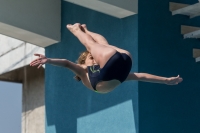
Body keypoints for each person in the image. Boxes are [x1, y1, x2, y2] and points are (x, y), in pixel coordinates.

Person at [30, 23, 183, 93]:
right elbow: (141, 76)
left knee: (100, 45)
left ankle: (80, 30)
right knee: (96, 45)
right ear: (84, 62)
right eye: (91, 58)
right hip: (124, 61)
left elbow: (65, 63)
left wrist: (48, 60)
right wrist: (165, 80)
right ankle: (81, 29)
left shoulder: (98, 67)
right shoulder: (84, 71)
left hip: (121, 61)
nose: (94, 59)